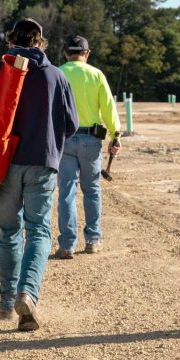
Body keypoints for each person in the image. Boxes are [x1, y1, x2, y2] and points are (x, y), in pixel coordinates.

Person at [0, 18, 78, 331]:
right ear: (41, 42)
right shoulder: (57, 76)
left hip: (4, 164)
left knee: (9, 232)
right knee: (39, 231)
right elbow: (70, 124)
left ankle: (6, 303)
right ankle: (28, 294)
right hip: (42, 162)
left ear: (10, 40)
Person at [54, 35, 122, 258]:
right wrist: (115, 134)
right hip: (92, 140)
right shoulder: (96, 75)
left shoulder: (57, 73)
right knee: (92, 190)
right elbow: (109, 108)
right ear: (87, 54)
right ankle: (93, 240)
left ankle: (67, 244)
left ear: (65, 53)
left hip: (64, 139)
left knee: (66, 192)